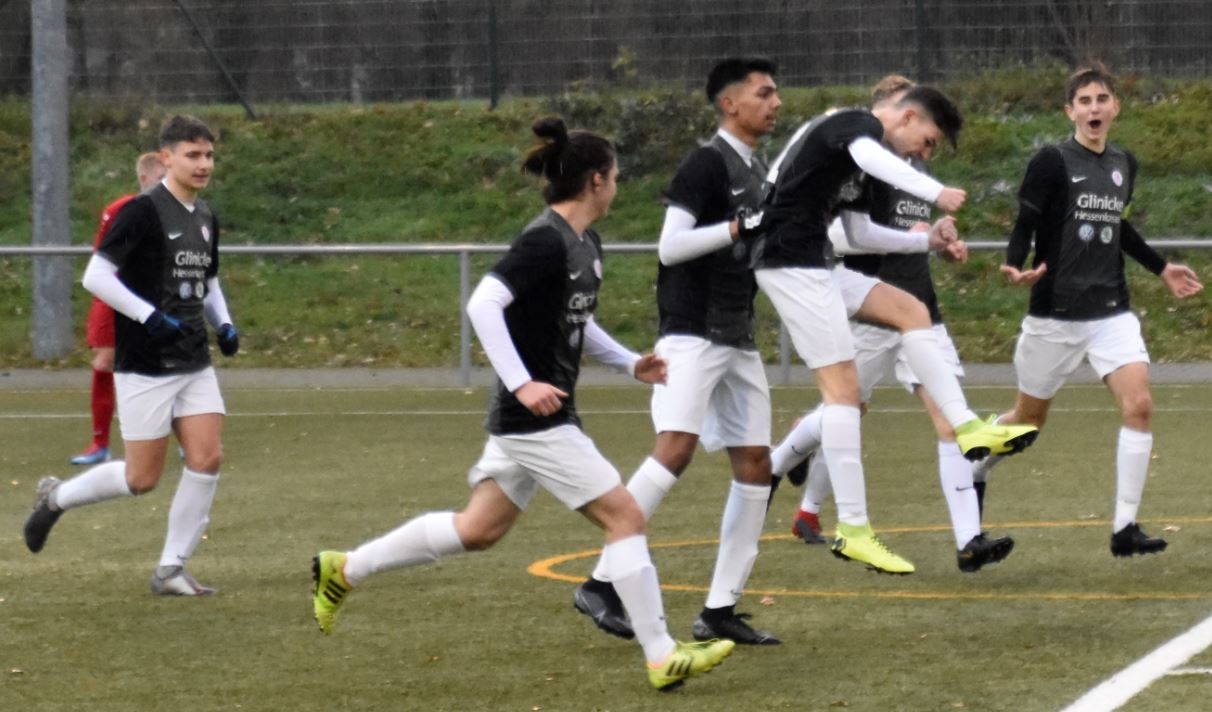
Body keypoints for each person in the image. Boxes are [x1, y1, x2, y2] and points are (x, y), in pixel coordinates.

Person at [309, 117, 735, 692]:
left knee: (478, 529)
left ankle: (346, 569)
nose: (618, 186)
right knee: (626, 517)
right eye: (615, 176)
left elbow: (576, 319)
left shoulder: (586, 243)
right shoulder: (544, 240)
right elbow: (483, 304)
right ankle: (661, 654)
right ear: (596, 180)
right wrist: (521, 383)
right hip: (537, 419)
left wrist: (629, 362)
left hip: (535, 417)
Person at [751, 83, 1039, 574]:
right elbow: (869, 157)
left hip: (817, 266)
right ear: (907, 117)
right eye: (927, 142)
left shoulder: (865, 167)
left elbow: (860, 234)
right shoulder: (856, 125)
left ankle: (967, 427)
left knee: (911, 311)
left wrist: (927, 242)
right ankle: (850, 527)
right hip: (786, 264)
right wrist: (935, 192)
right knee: (844, 398)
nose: (923, 155)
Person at [573, 58, 783, 646]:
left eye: (776, 94)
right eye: (764, 93)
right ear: (729, 104)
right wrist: (738, 229)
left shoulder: (757, 168)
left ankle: (720, 609)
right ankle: (600, 582)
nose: (775, 103)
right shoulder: (705, 162)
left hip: (737, 333)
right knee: (675, 448)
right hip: (692, 330)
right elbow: (670, 248)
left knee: (756, 465)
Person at [974, 64, 1203, 557]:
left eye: (1102, 99)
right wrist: (1015, 264)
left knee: (1139, 405)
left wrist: (1161, 268)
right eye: (1084, 101)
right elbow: (1025, 222)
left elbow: (1120, 228)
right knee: (1027, 422)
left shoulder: (1124, 163)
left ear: (1115, 107)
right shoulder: (1052, 161)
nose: (1094, 108)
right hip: (1054, 315)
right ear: (1070, 111)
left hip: (1111, 311)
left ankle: (1125, 529)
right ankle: (974, 467)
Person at [24, 115, 241, 597]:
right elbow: (96, 276)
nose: (203, 164)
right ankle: (56, 497)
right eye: (192, 155)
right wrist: (149, 317)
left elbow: (207, 280)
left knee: (207, 458)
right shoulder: (141, 212)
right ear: (167, 158)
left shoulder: (205, 217)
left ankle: (171, 569)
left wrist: (223, 323)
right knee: (141, 478)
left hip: (193, 360)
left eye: (208, 155)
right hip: (146, 363)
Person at [69, 152, 168, 466]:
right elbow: (103, 260)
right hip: (114, 294)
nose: (167, 185)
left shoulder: (179, 213)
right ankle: (100, 443)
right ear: (145, 179)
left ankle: (186, 434)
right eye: (161, 179)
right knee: (104, 362)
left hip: (154, 296)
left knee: (168, 362)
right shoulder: (121, 211)